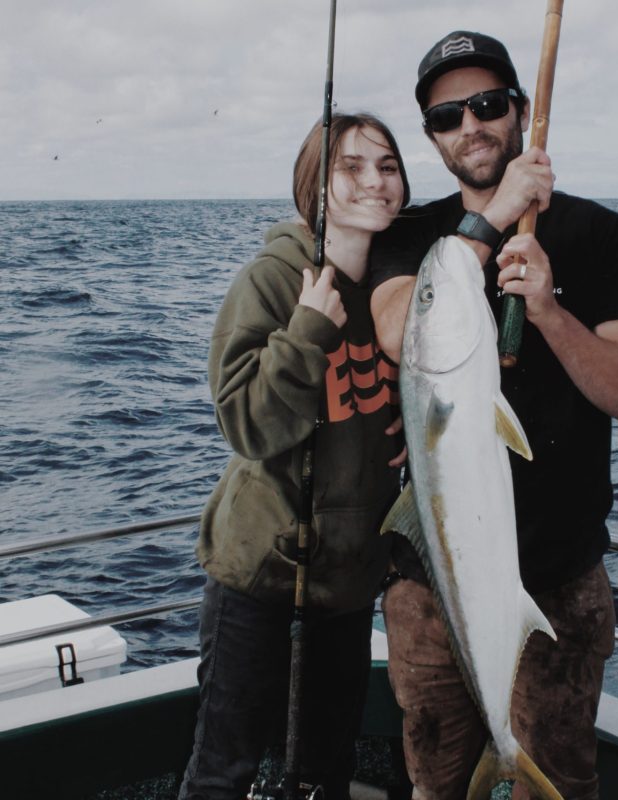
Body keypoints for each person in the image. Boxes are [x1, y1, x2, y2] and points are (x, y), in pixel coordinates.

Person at [370, 31, 618, 800]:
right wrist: (495, 217)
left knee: (554, 789)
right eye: (446, 116)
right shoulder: (411, 237)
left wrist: (549, 314)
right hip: (429, 588)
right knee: (435, 787)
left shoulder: (602, 238)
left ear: (521, 111)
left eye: (487, 104)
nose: (469, 126)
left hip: (560, 582)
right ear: (432, 136)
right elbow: (401, 330)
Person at [178, 112, 410, 800]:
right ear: (314, 184)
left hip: (348, 584)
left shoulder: (398, 292)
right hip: (261, 573)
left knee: (323, 775)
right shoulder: (273, 280)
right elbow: (245, 424)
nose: (375, 180)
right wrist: (307, 330)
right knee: (222, 773)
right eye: (351, 166)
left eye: (388, 166)